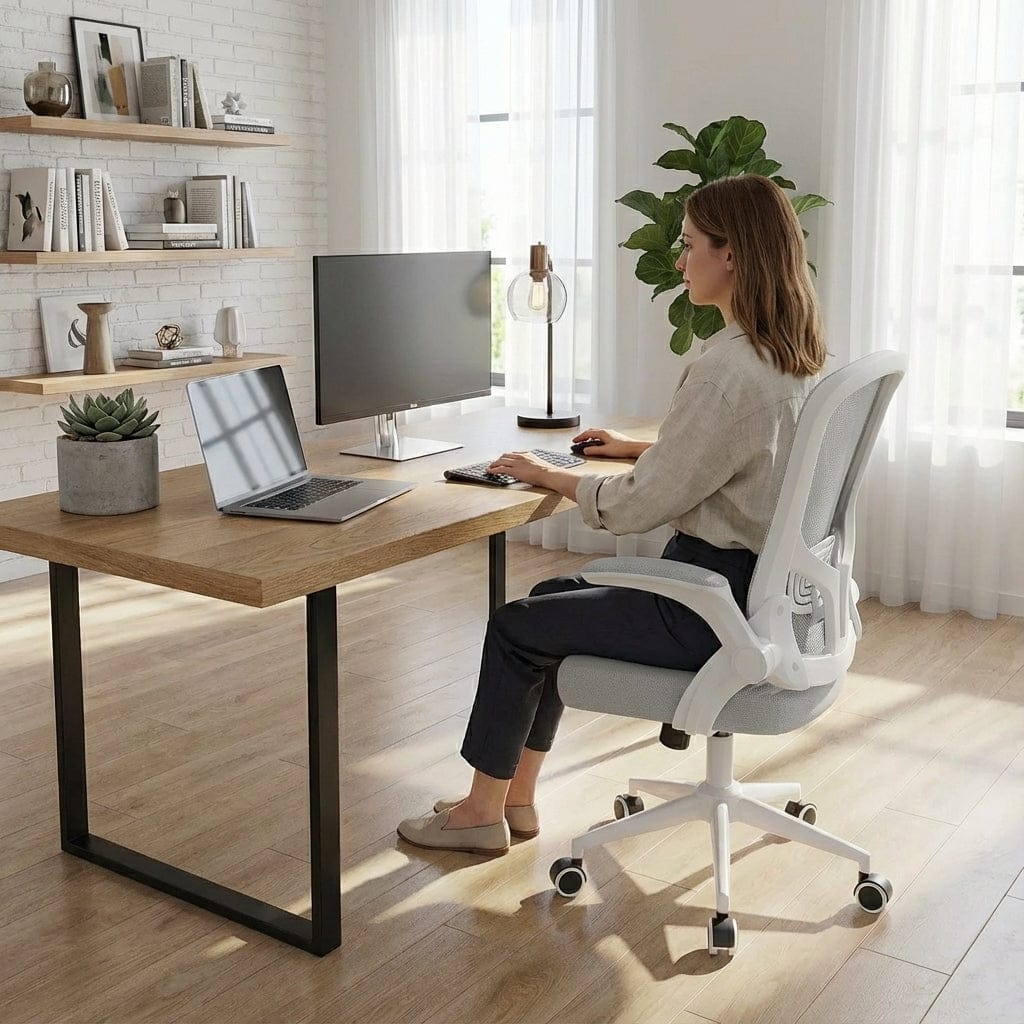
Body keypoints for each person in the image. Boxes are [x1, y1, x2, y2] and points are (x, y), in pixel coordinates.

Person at [397, 173, 828, 856]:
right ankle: (515, 800)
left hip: (706, 605)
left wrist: (547, 477)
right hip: (761, 598)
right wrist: (638, 448)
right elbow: (742, 457)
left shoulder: (724, 371)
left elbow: (637, 506)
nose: (680, 262)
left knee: (517, 627)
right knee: (548, 599)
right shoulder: (792, 357)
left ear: (733, 256)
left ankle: (478, 814)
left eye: (689, 247)